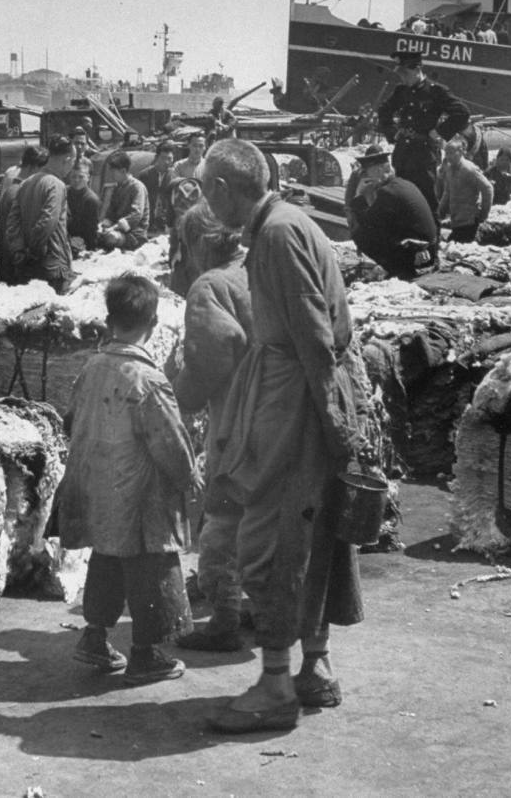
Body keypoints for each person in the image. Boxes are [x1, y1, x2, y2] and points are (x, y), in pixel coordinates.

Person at [200, 139, 368, 732]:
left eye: (205, 190)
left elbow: (312, 333)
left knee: (269, 532)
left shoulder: (275, 234)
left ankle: (275, 685)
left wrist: (332, 421)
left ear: (224, 188)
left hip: (293, 400)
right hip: (301, 391)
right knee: (313, 529)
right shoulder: (289, 221)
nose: (205, 202)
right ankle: (314, 667)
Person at [58, 275, 197, 684]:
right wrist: (189, 476)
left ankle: (95, 637)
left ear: (108, 321)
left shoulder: (91, 367)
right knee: (153, 565)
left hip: (96, 485)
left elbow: (71, 419)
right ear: (153, 323)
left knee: (107, 554)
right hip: (140, 494)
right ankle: (146, 654)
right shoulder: (149, 381)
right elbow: (170, 442)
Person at [167, 203, 253, 653]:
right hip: (280, 415)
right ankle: (264, 604)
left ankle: (224, 619)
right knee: (265, 518)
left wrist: (178, 395)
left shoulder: (211, 286)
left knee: (223, 519)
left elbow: (207, 363)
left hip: (237, 422)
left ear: (199, 243)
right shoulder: (257, 268)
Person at [375, 50, 470, 214]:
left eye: (405, 73)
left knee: (427, 202)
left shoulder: (435, 91)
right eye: (400, 74)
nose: (402, 78)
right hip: (403, 155)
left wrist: (439, 132)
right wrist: (393, 132)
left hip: (423, 156)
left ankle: (432, 230)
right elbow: (384, 111)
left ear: (416, 69)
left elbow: (462, 112)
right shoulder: (401, 91)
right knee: (402, 201)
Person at [349, 149, 438, 280]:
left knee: (359, 234)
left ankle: (393, 268)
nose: (364, 177)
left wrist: (359, 195)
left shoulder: (387, 192)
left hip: (416, 256)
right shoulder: (402, 183)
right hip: (429, 252)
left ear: (378, 171)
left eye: (366, 173)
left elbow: (367, 224)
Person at [8, 136, 74, 293]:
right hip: (51, 264)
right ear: (67, 159)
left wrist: (20, 251)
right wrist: (33, 250)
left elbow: (13, 221)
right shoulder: (56, 185)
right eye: (73, 161)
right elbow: (48, 221)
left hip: (26, 265)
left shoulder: (26, 182)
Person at [0, 145, 48, 285]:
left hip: (9, 263)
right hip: (16, 266)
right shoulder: (19, 193)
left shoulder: (12, 189)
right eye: (42, 171)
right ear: (32, 168)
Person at [437, 140, 493, 243]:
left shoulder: (469, 169)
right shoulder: (449, 169)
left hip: (469, 220)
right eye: (447, 153)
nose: (448, 156)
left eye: (451, 153)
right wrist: (440, 212)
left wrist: (484, 213)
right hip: (456, 220)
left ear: (461, 152)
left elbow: (487, 188)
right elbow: (447, 192)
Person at [98, 150, 150, 251]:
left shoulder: (137, 187)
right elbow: (111, 212)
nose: (112, 174)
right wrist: (104, 225)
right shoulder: (117, 187)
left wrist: (113, 228)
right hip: (118, 229)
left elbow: (136, 214)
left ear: (123, 171)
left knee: (111, 237)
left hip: (135, 233)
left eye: (113, 171)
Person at [137, 143, 175, 233]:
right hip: (146, 223)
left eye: (169, 158)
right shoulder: (144, 175)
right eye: (163, 158)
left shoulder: (174, 177)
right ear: (156, 157)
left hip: (166, 224)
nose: (166, 162)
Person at [66, 159, 101, 252]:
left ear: (88, 177)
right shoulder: (64, 192)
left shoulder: (91, 199)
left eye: (81, 177)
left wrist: (89, 247)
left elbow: (91, 230)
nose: (76, 180)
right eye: (73, 176)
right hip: (64, 237)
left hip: (81, 241)